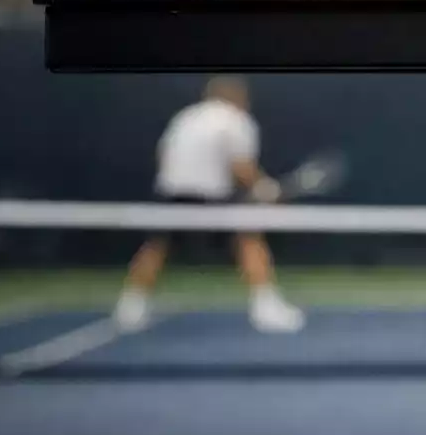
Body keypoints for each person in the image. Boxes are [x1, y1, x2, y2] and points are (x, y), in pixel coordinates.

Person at [114, 77, 305, 333]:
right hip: (211, 195)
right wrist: (265, 188)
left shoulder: (186, 117)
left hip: (171, 191)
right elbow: (241, 166)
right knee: (248, 240)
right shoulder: (236, 120)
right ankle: (266, 308)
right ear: (238, 97)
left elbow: (163, 155)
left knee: (156, 246)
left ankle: (130, 308)